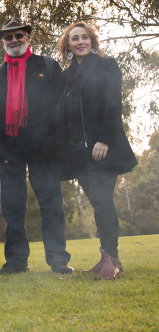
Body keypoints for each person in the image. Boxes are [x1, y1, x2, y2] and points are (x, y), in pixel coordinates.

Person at [0, 18, 74, 274]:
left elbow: (61, 107)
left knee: (51, 204)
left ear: (27, 38)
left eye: (19, 36)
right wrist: (1, 151)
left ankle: (58, 260)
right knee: (12, 207)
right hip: (11, 152)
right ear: (3, 42)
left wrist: (54, 144)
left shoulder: (47, 66)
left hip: (44, 149)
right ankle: (16, 261)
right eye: (8, 38)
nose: (14, 41)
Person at [57, 22, 137, 279]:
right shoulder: (66, 76)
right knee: (97, 202)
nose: (80, 42)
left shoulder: (107, 67)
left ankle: (110, 257)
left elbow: (113, 105)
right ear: (67, 45)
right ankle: (108, 257)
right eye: (74, 39)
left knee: (104, 200)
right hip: (79, 154)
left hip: (105, 149)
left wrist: (103, 140)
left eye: (84, 37)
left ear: (91, 40)